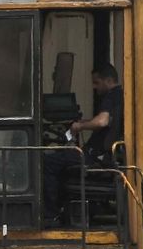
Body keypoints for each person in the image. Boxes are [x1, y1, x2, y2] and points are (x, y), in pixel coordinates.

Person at [43, 62, 124, 223]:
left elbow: (102, 121)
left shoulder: (110, 96)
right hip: (100, 155)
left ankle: (50, 214)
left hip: (94, 157)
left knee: (47, 161)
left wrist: (79, 127)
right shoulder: (120, 96)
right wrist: (84, 122)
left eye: (97, 82)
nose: (95, 87)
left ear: (108, 80)